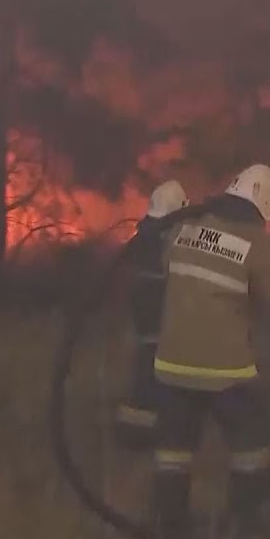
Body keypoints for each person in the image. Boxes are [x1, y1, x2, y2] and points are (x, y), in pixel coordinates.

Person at [149, 164, 270, 539]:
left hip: (171, 366)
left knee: (173, 452)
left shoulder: (187, 225)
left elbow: (166, 269)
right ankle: (248, 524)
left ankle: (168, 531)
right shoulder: (256, 241)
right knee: (252, 441)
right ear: (266, 204)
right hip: (226, 370)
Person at [114, 180, 188, 447]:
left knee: (143, 372)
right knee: (158, 375)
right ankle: (155, 435)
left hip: (141, 317)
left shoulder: (139, 239)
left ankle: (133, 433)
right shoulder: (168, 240)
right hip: (160, 316)